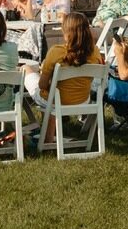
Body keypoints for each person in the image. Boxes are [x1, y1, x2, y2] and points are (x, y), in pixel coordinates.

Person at [39, 11, 103, 142]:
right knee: (50, 96)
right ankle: (49, 134)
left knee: (30, 75)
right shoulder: (95, 51)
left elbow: (42, 85)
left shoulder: (56, 51)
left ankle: (47, 136)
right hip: (83, 100)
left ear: (65, 31)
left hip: (56, 101)